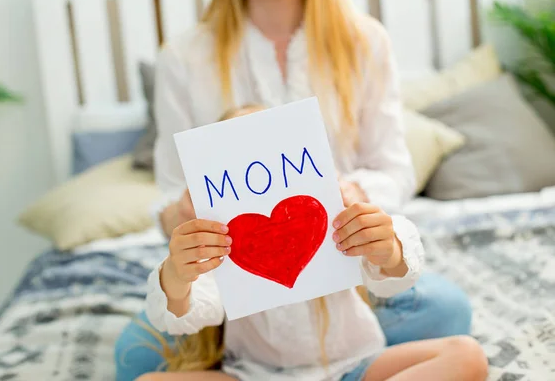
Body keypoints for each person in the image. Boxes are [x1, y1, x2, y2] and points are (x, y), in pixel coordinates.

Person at [115, 0, 474, 379]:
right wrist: (184, 214)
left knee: (447, 308)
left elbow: (394, 173)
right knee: (136, 356)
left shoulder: (365, 40)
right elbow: (169, 193)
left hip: (343, 263)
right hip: (235, 290)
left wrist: (350, 197)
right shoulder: (183, 56)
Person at [132, 134, 487, 379]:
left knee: (466, 355)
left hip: (354, 367)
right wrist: (178, 274)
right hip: (256, 376)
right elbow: (184, 314)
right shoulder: (222, 245)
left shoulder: (332, 218)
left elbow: (396, 277)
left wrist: (388, 246)